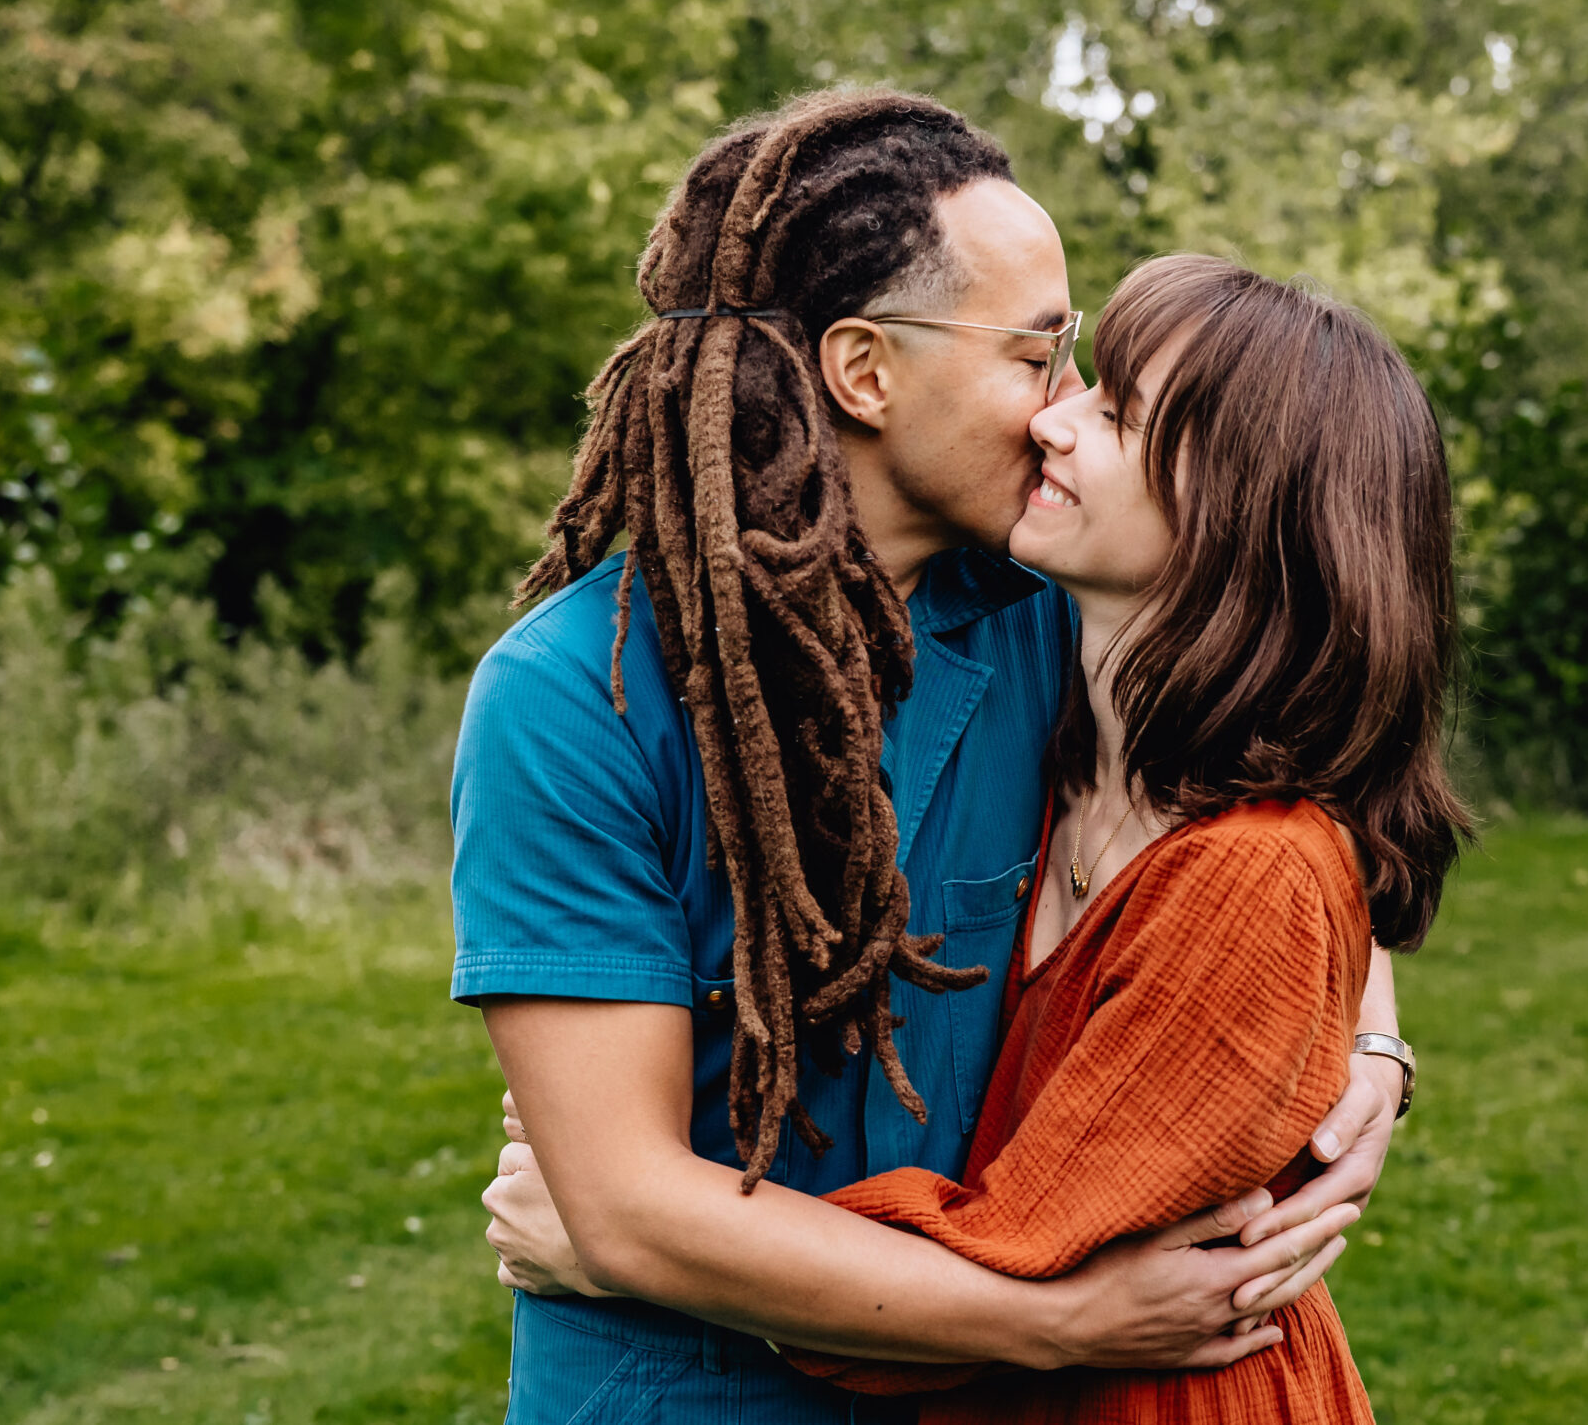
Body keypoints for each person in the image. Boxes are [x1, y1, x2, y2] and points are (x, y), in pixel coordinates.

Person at [453, 90, 1412, 1423]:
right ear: (864, 372)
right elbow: (620, 1208)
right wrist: (1058, 1321)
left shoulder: (1049, 605)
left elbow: (1272, 799)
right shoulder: (573, 699)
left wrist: (1369, 1044)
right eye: (1038, 355)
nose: (1067, 406)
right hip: (690, 1391)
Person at [781, 255, 1469, 1421]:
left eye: (1115, 412)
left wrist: (638, 1238)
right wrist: (1374, 1034)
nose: (1050, 419)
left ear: (1240, 513)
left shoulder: (1250, 870)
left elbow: (1016, 1251)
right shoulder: (1060, 737)